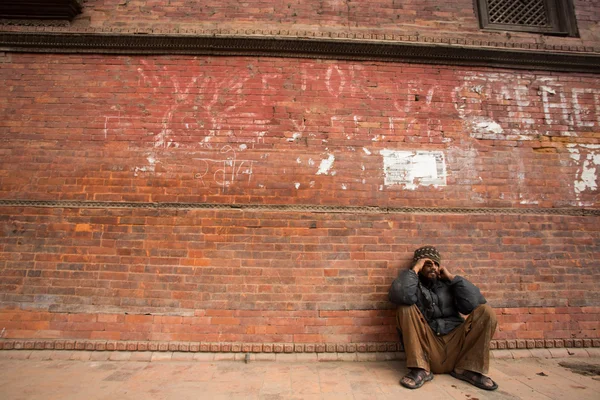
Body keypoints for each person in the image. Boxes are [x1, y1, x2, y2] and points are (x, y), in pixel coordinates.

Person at [388, 246, 498, 391]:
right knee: (405, 308)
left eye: (436, 263)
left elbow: (475, 302)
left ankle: (468, 369)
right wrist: (415, 270)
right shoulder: (412, 284)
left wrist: (453, 278)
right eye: (428, 263)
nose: (433, 267)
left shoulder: (449, 284)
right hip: (428, 346)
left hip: (456, 344)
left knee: (486, 311)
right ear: (419, 265)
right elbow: (400, 295)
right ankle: (421, 369)